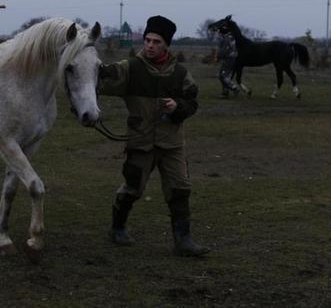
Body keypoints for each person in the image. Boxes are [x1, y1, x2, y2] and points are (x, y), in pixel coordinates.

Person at [98, 15, 209, 257]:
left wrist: (177, 107)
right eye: (147, 40)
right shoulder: (130, 68)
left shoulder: (181, 73)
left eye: (156, 41)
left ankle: (183, 240)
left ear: (166, 44)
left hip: (172, 144)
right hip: (140, 142)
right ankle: (117, 228)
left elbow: (192, 103)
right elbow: (101, 77)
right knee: (132, 188)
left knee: (180, 188)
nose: (149, 45)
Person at [217, 29, 241, 97]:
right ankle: (225, 92)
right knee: (223, 75)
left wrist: (219, 57)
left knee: (223, 76)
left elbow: (224, 50)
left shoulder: (226, 39)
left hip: (229, 59)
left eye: (219, 33)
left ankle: (234, 88)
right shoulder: (232, 38)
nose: (218, 35)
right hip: (232, 59)